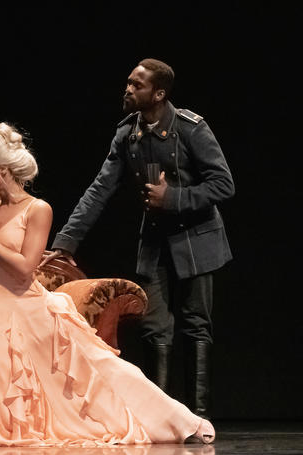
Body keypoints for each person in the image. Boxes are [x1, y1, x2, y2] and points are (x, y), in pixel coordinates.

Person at [0, 123, 215, 446]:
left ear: (2, 170)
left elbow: (25, 268)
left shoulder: (37, 209)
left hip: (30, 311)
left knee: (106, 372)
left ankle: (179, 422)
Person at [47, 59, 234, 418]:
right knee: (154, 328)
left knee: (196, 325)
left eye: (137, 85)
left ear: (159, 93)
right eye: (129, 83)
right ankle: (162, 416)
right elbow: (99, 189)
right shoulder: (127, 135)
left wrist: (174, 198)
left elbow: (224, 184)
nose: (128, 90)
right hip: (155, 242)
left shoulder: (191, 129)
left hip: (197, 240)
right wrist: (65, 243)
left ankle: (198, 416)